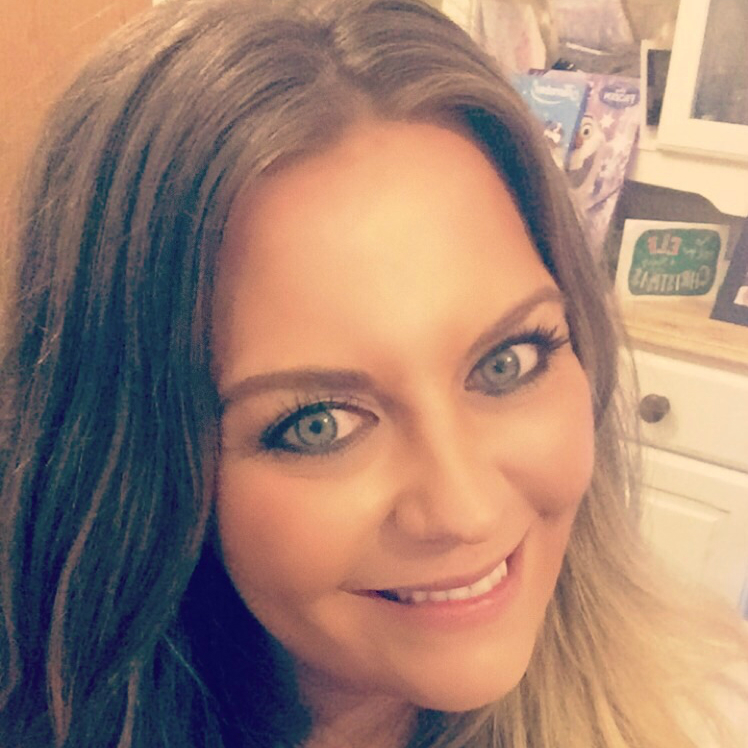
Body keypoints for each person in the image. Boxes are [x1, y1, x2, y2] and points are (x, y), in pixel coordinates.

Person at [0, 1, 746, 746]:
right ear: (128, 470)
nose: (466, 511)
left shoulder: (704, 715)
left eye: (506, 362)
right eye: (320, 424)